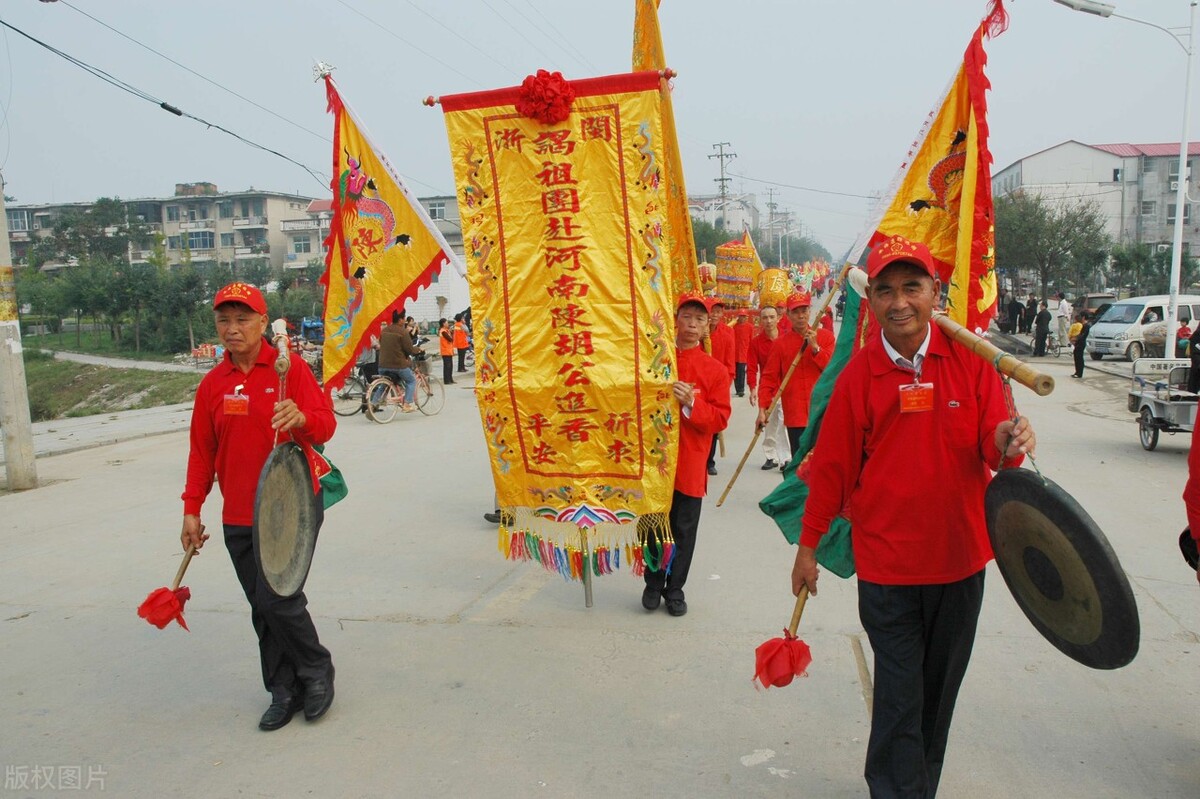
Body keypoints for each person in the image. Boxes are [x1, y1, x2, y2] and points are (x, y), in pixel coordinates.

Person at [791, 235, 1035, 797]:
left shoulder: (973, 364)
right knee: (900, 695)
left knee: (936, 695)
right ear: (871, 301)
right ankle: (895, 789)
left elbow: (996, 450)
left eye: (911, 287)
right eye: (885, 290)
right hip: (888, 570)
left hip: (960, 561)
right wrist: (807, 550)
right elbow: (831, 473)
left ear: (934, 295)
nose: (899, 301)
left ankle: (915, 785)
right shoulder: (859, 377)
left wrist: (1008, 439)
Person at [180, 282, 337, 731]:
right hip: (238, 514)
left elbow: (326, 424)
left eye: (242, 319)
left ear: (263, 323)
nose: (232, 329)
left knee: (279, 599)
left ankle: (316, 671)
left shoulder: (290, 371)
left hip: (293, 506)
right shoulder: (213, 385)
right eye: (224, 321)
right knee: (260, 605)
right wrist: (192, 508)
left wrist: (303, 419)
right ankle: (282, 689)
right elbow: (201, 452)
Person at [641, 293, 731, 617]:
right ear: (675, 320)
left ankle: (674, 588)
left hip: (691, 462)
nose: (692, 325)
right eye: (687, 317)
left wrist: (691, 403)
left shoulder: (715, 371)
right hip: (655, 460)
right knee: (652, 525)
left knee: (683, 530)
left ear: (708, 326)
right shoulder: (655, 360)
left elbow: (720, 418)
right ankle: (652, 582)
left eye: (699, 319)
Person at [756, 291, 836, 463]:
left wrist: (815, 348)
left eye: (804, 310)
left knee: (823, 463)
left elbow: (832, 371)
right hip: (795, 415)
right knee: (799, 463)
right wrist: (762, 410)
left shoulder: (826, 338)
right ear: (788, 315)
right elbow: (768, 379)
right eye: (796, 312)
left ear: (810, 311)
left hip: (822, 412)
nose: (801, 316)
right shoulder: (780, 344)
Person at [747, 306, 787, 471]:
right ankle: (771, 456)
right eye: (765, 318)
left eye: (772, 317)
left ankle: (785, 458)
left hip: (786, 387)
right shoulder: (756, 342)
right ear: (760, 320)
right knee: (769, 423)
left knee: (784, 422)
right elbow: (751, 367)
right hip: (768, 388)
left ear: (778, 318)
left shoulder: (787, 338)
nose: (769, 321)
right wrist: (752, 389)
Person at [704, 298, 736, 476]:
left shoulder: (727, 333)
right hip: (701, 383)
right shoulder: (699, 332)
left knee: (715, 425)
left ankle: (710, 461)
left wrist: (727, 383)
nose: (715, 315)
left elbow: (730, 362)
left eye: (718, 312)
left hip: (719, 383)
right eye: (712, 311)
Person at [379, 309, 422, 412]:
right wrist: (419, 349)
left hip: (382, 365)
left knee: (385, 383)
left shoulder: (384, 331)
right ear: (400, 320)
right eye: (404, 318)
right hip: (397, 365)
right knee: (411, 380)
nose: (405, 321)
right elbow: (409, 349)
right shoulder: (403, 332)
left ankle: (373, 404)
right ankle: (407, 404)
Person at [733, 310, 753, 398]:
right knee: (735, 372)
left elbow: (751, 340)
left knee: (741, 372)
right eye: (741, 316)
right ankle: (737, 389)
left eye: (744, 316)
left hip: (744, 353)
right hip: (734, 353)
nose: (743, 318)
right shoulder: (734, 326)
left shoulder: (750, 327)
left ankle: (741, 390)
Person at [1071, 312, 1092, 379]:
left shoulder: (1087, 326)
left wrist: (1076, 338)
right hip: (1079, 342)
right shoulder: (1084, 325)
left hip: (1081, 343)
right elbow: (1080, 334)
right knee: (1076, 356)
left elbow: (1082, 336)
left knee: (1079, 358)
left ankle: (1079, 373)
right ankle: (1077, 372)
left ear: (1083, 317)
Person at [438, 318, 455, 385]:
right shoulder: (443, 331)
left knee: (450, 366)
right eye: (446, 322)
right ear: (443, 324)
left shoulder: (446, 330)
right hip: (445, 351)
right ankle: (447, 380)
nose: (448, 324)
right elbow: (450, 339)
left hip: (449, 351)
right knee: (447, 366)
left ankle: (450, 379)